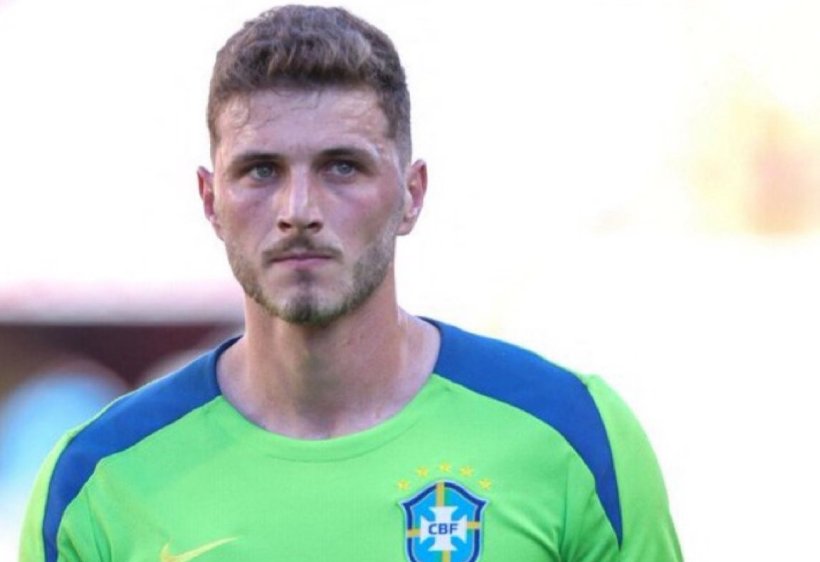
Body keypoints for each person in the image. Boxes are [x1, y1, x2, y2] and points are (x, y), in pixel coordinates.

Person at [20, 5, 682, 561]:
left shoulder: (571, 433)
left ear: (411, 194)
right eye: (260, 170)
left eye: (341, 167)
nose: (298, 209)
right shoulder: (99, 481)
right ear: (210, 199)